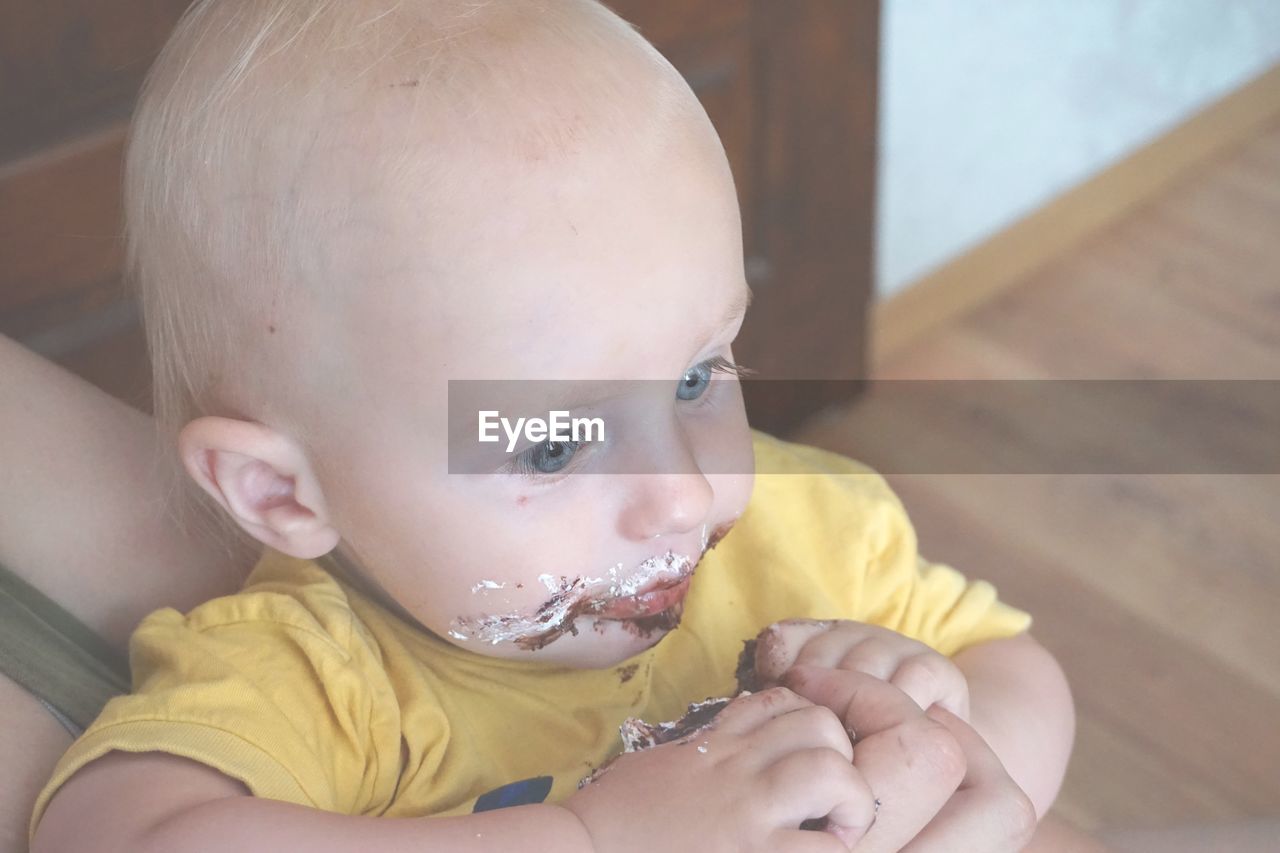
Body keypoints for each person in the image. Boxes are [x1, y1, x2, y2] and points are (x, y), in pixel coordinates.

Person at [24, 1, 1078, 850]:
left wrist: (939, 720)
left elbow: (1012, 663)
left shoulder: (809, 542)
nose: (682, 490)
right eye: (553, 443)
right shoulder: (323, 679)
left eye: (693, 377)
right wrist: (586, 835)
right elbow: (113, 831)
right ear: (281, 495)